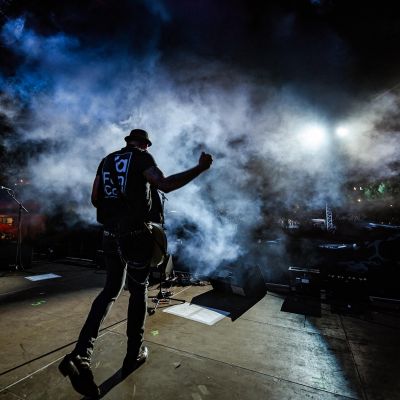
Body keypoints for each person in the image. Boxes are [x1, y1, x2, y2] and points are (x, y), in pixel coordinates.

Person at [58, 129, 213, 397]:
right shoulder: (142, 158)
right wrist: (200, 168)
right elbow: (165, 184)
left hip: (109, 234)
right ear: (144, 145)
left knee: (110, 290)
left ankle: (81, 354)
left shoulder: (106, 160)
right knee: (139, 290)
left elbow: (95, 197)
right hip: (135, 236)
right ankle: (134, 353)